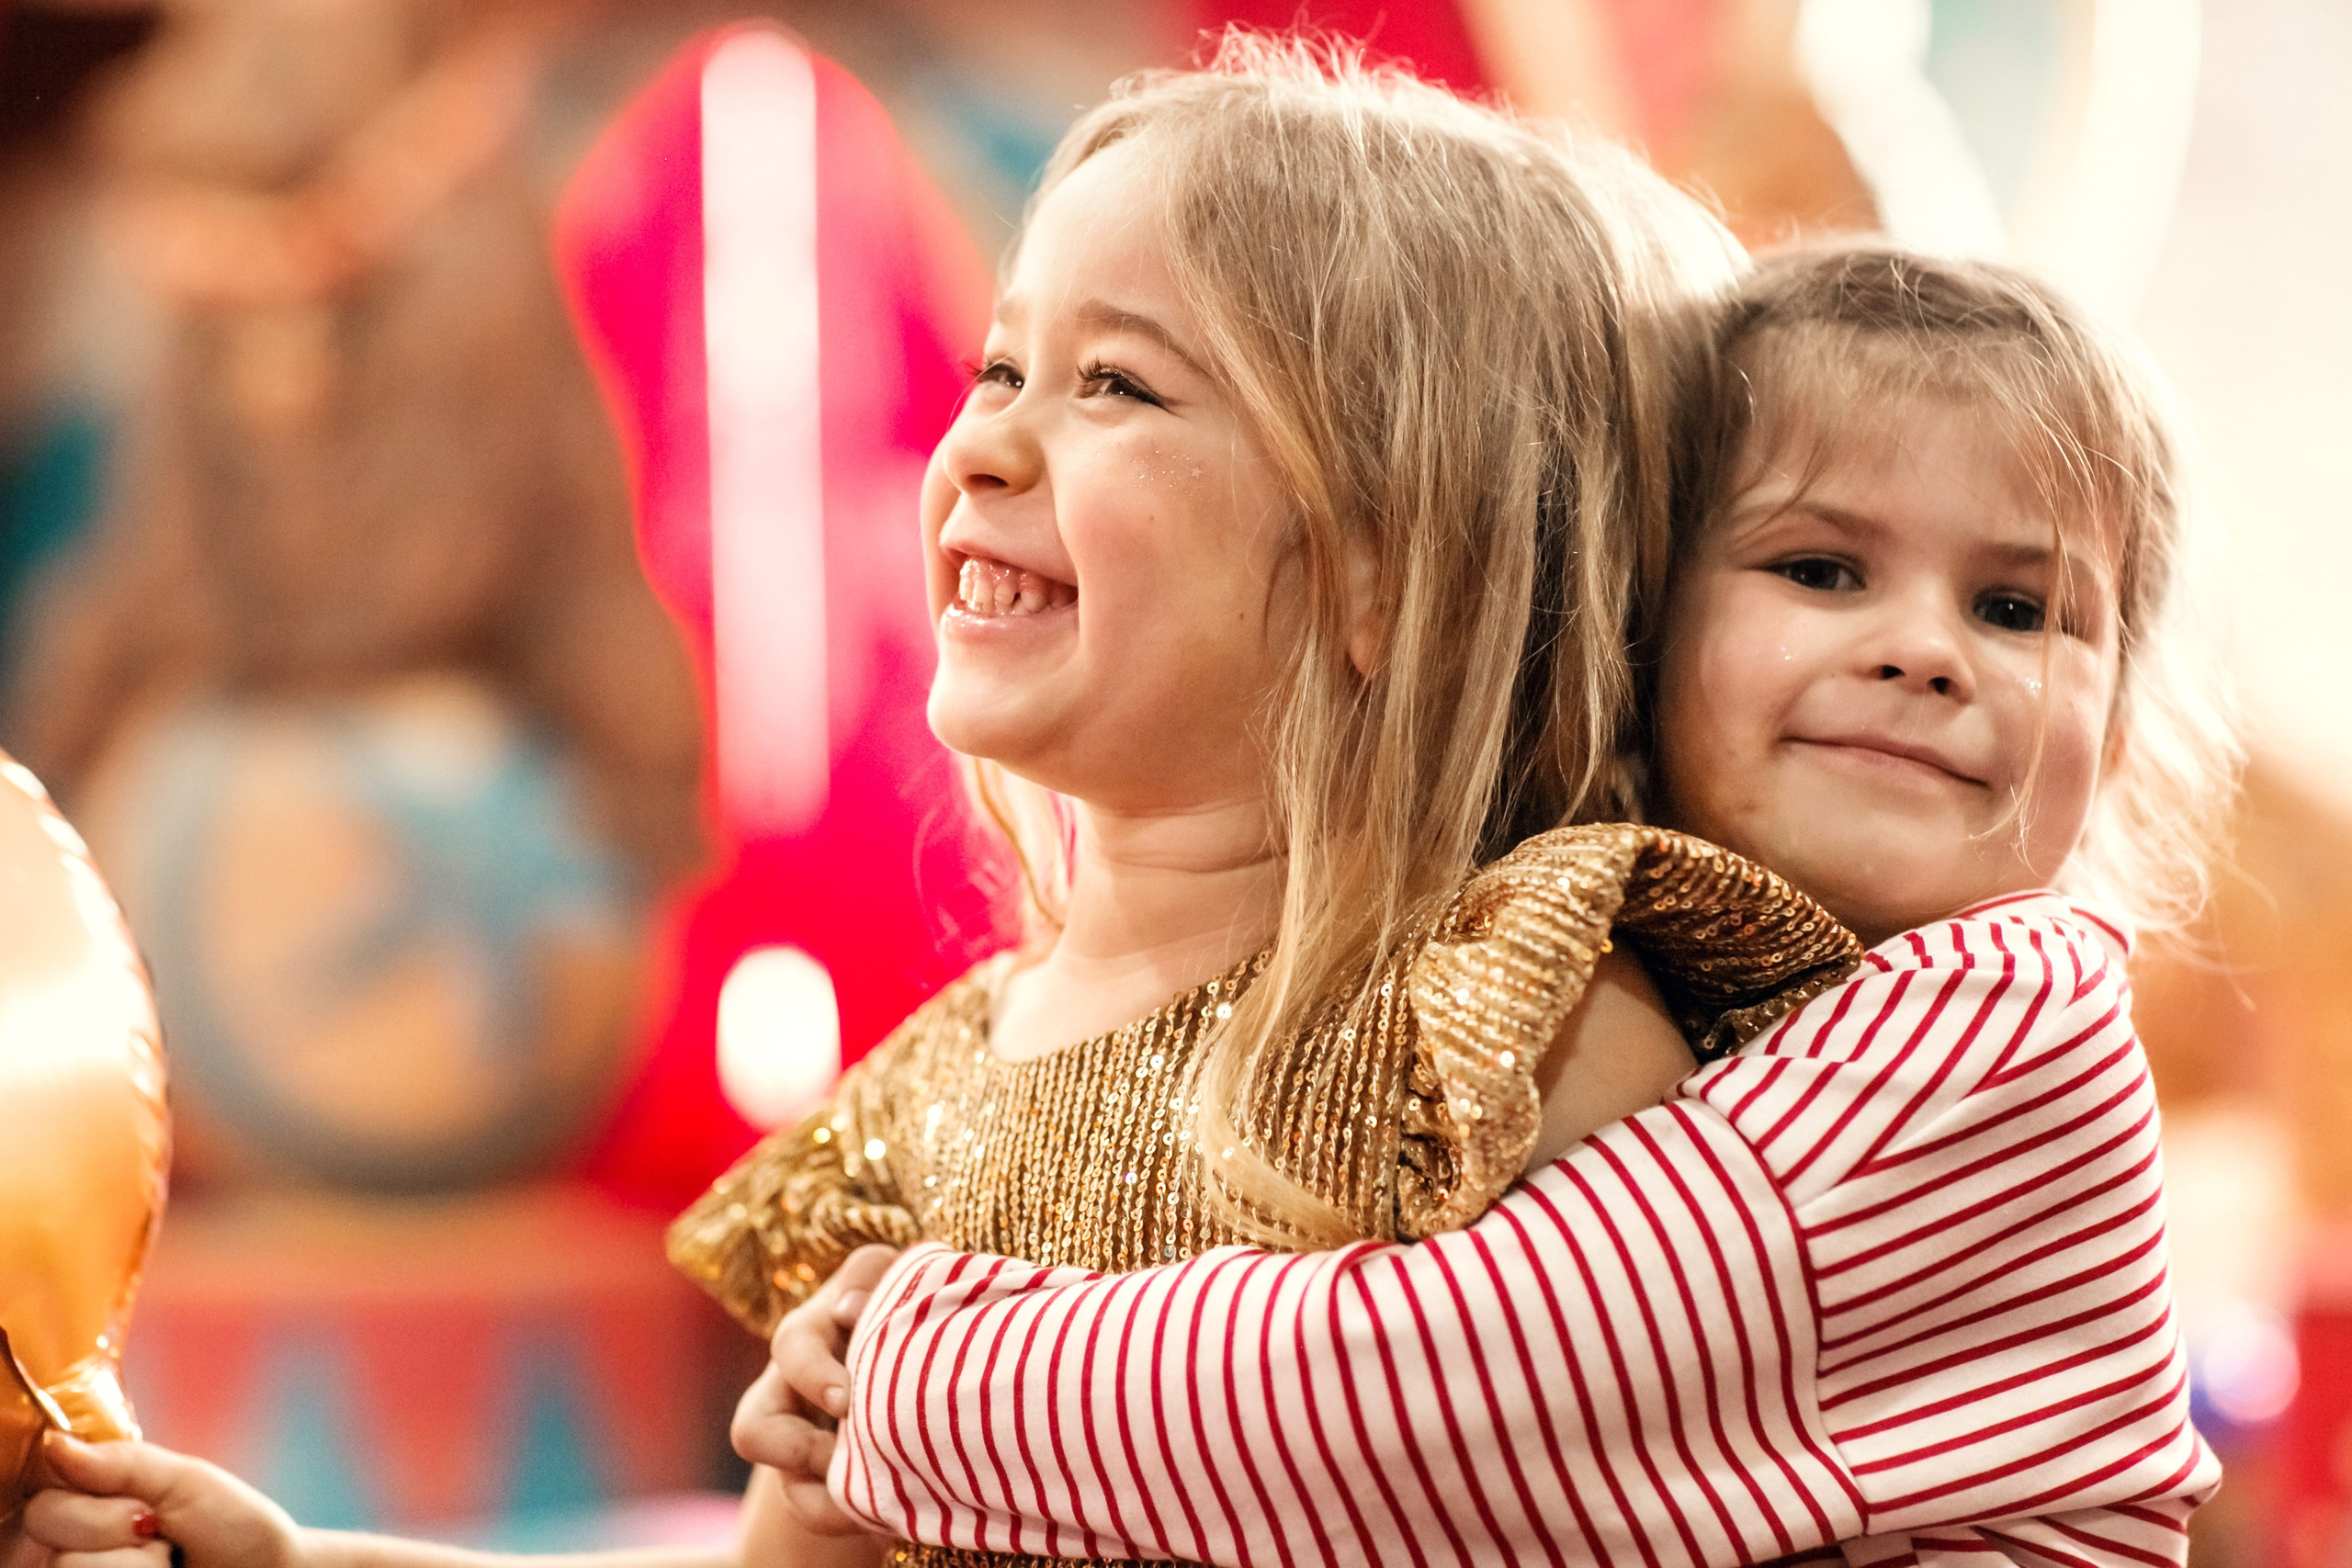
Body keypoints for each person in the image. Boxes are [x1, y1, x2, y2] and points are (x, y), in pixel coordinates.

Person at [12, 36, 1855, 1568]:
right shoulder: (932, 1097)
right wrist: (294, 1554)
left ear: (1387, 563)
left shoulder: (1504, 1014)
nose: (980, 437)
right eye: (998, 366)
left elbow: (1574, 1471)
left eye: (1115, 385)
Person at [738, 248, 2241, 1567]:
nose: (1927, 651)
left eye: (2020, 609)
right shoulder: (1678, 978)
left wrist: (911, 1378)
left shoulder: (2001, 1021)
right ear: (1638, 630)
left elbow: (1451, 1388)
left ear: (2107, 740)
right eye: (1823, 568)